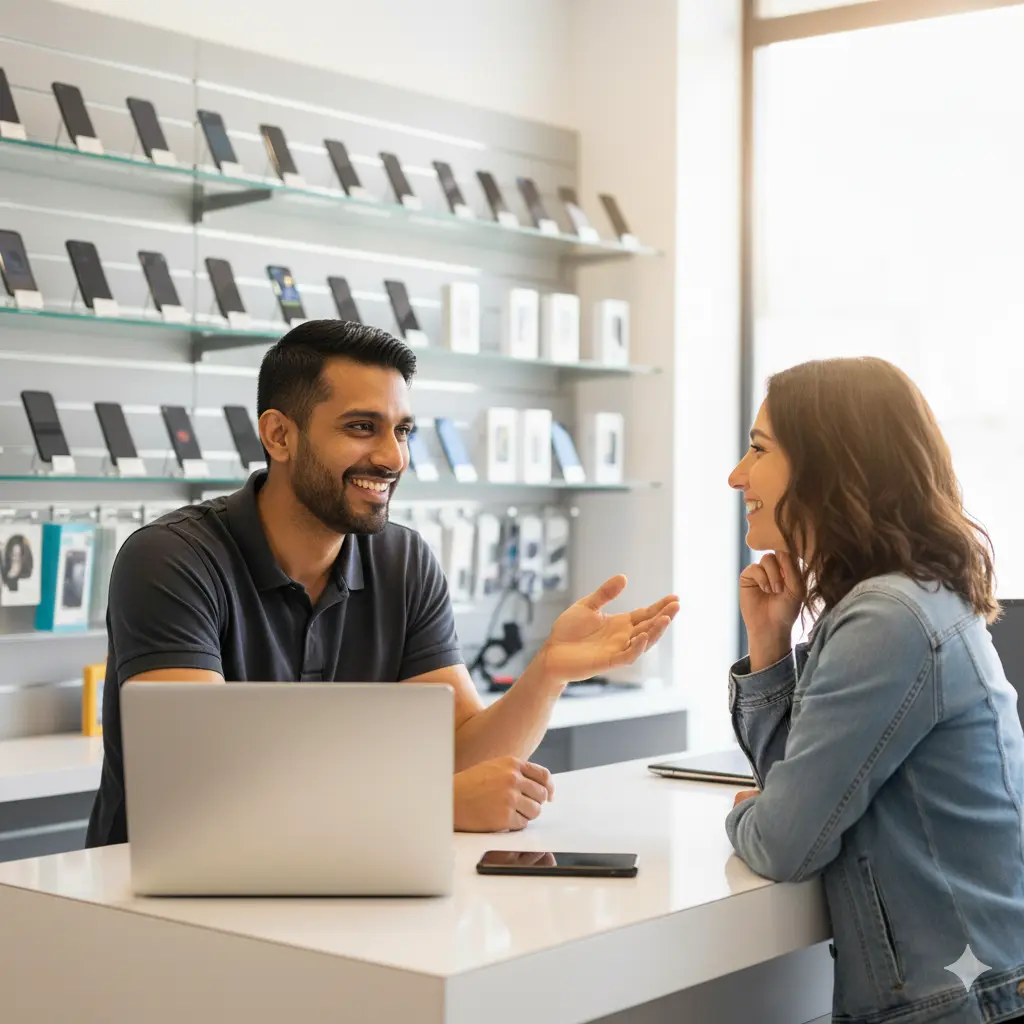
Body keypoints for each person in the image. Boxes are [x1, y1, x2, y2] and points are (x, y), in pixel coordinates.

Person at [86, 320, 678, 848]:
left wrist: (548, 671)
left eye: (403, 431)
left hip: (338, 886)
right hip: (164, 904)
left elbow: (458, 753)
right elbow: (199, 788)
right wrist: (429, 806)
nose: (393, 457)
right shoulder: (170, 560)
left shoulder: (402, 560)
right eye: (362, 427)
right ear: (279, 436)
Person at [726, 357, 1024, 1024]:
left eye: (758, 450)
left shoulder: (887, 619)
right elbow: (800, 793)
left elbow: (783, 842)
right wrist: (771, 646)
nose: (737, 475)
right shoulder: (907, 599)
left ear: (829, 464)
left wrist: (753, 815)